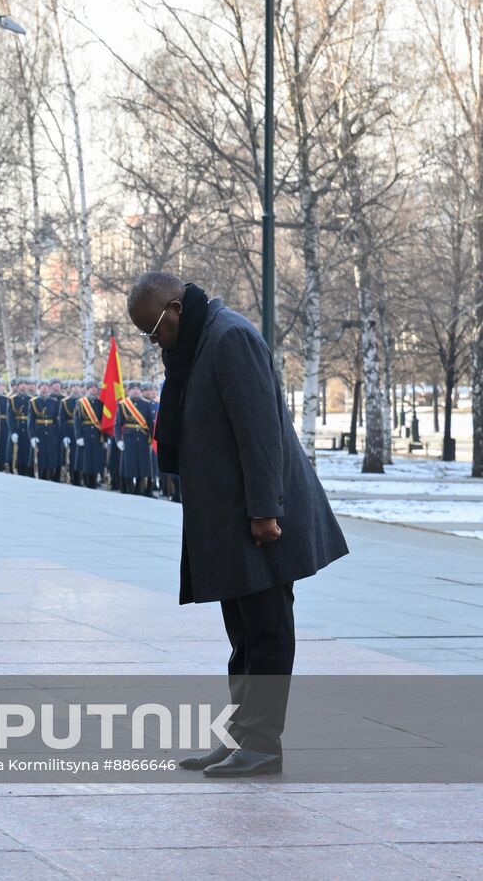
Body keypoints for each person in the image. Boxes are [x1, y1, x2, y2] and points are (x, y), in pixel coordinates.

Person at [126, 271, 348, 777]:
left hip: (258, 516)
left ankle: (263, 745)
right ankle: (239, 738)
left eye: (154, 327)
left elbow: (261, 433)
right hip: (229, 517)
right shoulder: (198, 343)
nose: (153, 339)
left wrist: (265, 511)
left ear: (177, 307)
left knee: (267, 630)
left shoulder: (231, 338)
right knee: (243, 635)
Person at [116, 383, 156, 495]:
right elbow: (118, 424)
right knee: (129, 466)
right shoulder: (123, 404)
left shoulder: (146, 404)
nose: (136, 391)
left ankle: (140, 490)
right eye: (133, 389)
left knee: (142, 466)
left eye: (138, 389)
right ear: (128, 391)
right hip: (128, 439)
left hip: (143, 439)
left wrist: (151, 440)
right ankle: (129, 490)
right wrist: (119, 440)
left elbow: (150, 425)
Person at [28, 381, 62, 481]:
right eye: (43, 386)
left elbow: (56, 420)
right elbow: (31, 421)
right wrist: (32, 436)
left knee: (50, 456)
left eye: (47, 387)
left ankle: (49, 476)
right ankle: (39, 475)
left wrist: (57, 434)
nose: (45, 389)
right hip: (39, 432)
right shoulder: (33, 402)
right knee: (40, 456)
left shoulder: (53, 402)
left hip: (51, 433)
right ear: (39, 388)